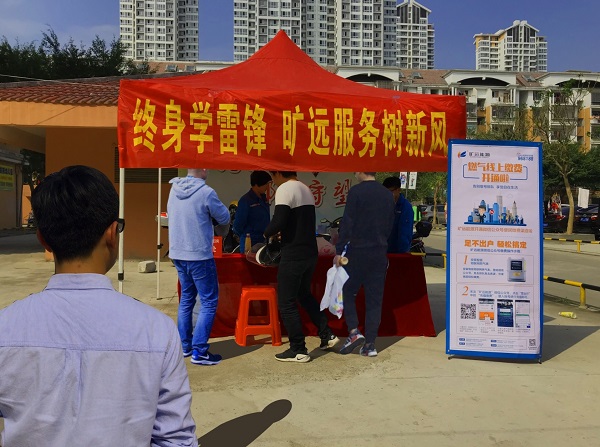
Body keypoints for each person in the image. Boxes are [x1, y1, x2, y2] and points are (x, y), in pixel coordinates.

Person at [0, 165, 197, 446]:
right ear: (112, 233)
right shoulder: (157, 331)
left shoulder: (6, 327)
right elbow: (176, 439)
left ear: (43, 240)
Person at [264, 171, 338, 363]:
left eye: (272, 176)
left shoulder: (285, 189)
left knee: (286, 302)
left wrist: (266, 233)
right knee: (304, 295)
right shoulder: (305, 188)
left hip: (294, 254)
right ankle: (327, 334)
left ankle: (298, 349)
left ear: (278, 173)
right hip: (309, 253)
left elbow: (278, 221)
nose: (273, 181)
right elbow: (295, 223)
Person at [168, 168, 230, 366]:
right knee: (208, 302)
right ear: (202, 169)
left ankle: (185, 346)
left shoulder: (173, 189)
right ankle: (200, 350)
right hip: (199, 255)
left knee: (186, 299)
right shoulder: (206, 192)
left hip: (178, 253)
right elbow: (225, 217)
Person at [335, 172, 395, 357]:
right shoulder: (387, 194)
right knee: (374, 300)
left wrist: (339, 250)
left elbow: (347, 223)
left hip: (357, 252)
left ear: (362, 170)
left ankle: (354, 331)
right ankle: (370, 344)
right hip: (379, 253)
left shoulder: (356, 192)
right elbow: (390, 224)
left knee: (347, 290)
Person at [233, 170, 272, 253]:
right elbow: (238, 224)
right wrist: (245, 235)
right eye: (265, 184)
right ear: (257, 185)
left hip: (264, 240)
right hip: (250, 241)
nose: (267, 187)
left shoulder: (264, 199)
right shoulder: (246, 200)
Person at [382, 176, 414, 253]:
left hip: (397, 253)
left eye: (390, 191)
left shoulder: (405, 207)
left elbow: (405, 233)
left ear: (398, 190)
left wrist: (402, 254)